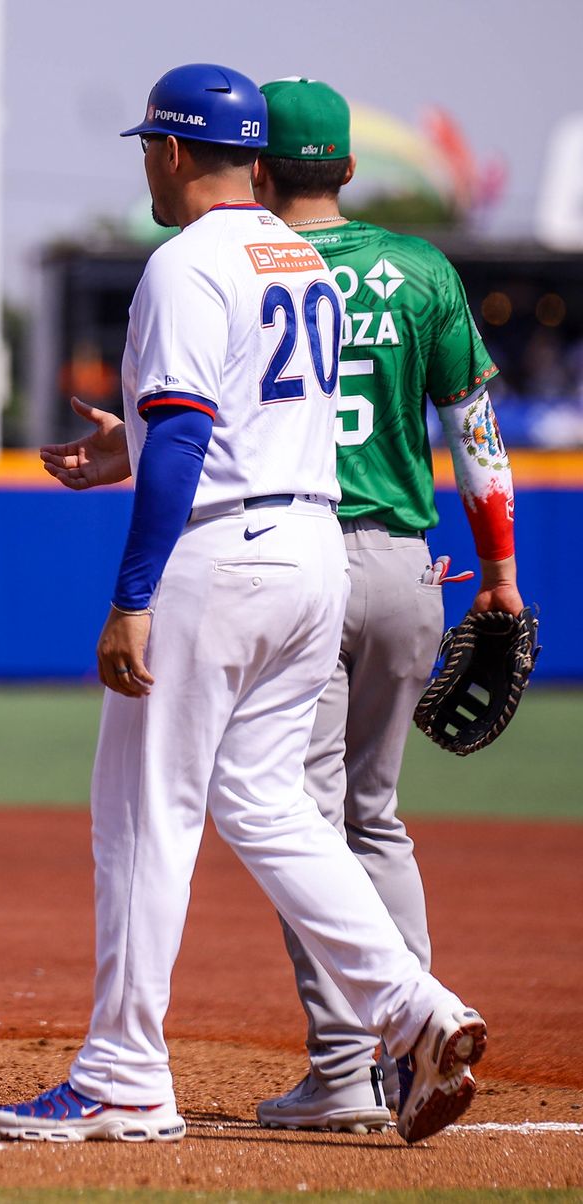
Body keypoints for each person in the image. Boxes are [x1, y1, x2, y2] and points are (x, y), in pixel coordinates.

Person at [0, 63, 486, 1145]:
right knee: (267, 806)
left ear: (169, 152)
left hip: (219, 555)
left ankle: (123, 1073)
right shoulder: (298, 259)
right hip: (312, 547)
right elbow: (230, 409)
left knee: (141, 812)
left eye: (146, 149)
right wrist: (127, 441)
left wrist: (131, 595)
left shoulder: (182, 263)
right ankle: (415, 1007)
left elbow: (181, 438)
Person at [247, 77, 521, 1133]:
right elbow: (477, 439)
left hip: (298, 559)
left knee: (304, 826)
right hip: (409, 567)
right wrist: (497, 572)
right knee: (374, 817)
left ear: (256, 168)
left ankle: (342, 1073)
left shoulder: (250, 265)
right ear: (349, 169)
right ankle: (416, 1041)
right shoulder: (420, 268)